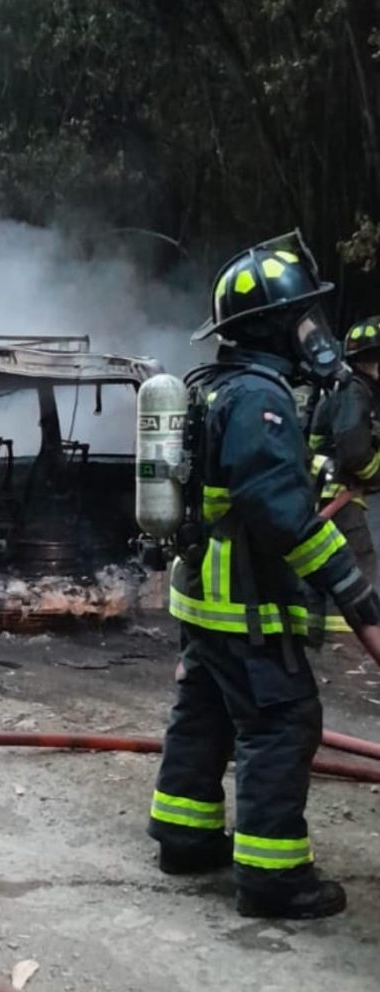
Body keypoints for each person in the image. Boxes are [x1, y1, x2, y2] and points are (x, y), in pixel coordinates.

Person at [147, 231, 380, 919]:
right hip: (244, 598)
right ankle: (272, 878)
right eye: (304, 315)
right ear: (278, 325)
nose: (315, 330)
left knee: (206, 711)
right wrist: (355, 591)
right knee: (283, 719)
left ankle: (184, 835)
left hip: (203, 597)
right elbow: (279, 512)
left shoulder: (216, 387)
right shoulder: (262, 399)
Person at [309, 316, 380, 584]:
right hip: (340, 500)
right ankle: (352, 627)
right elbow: (353, 449)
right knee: (358, 571)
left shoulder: (346, 388)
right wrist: (376, 474)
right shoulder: (355, 392)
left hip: (330, 496)